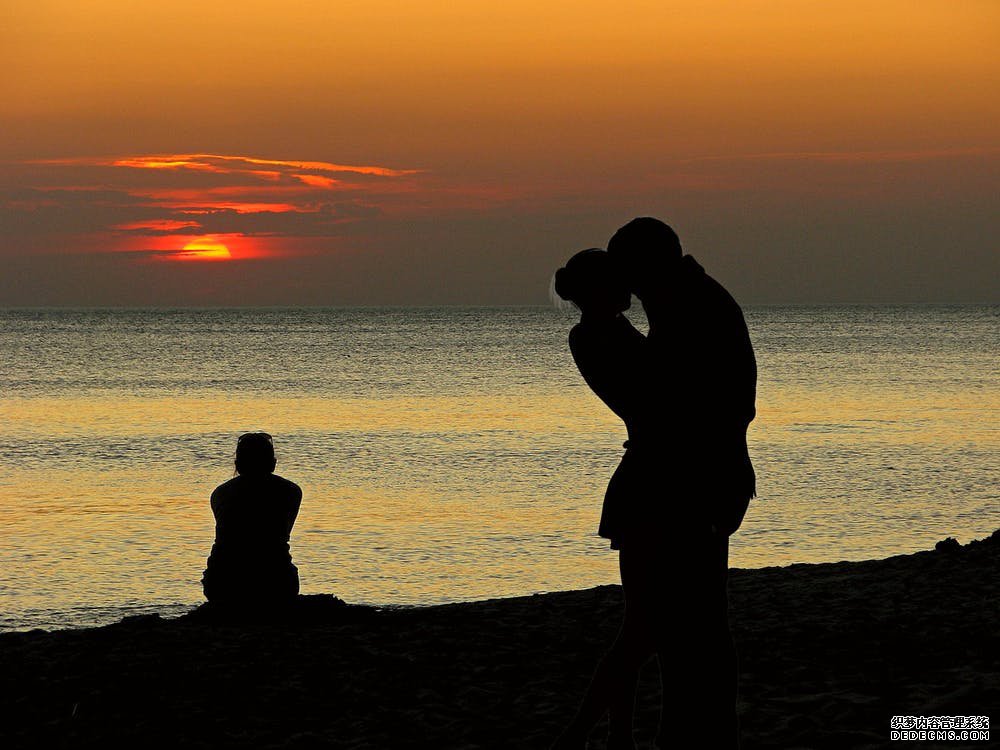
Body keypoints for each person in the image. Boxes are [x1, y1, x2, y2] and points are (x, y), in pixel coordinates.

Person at [607, 217, 756, 749]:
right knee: (693, 624)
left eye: (625, 269)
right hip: (704, 479)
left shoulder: (692, 307)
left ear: (647, 266)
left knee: (694, 625)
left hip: (699, 482)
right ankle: (699, 734)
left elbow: (713, 405)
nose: (622, 282)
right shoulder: (684, 301)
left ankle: (699, 736)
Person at [551, 248, 656, 750]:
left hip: (644, 478)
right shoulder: (596, 335)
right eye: (618, 281)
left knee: (638, 626)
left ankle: (616, 736)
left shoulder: (605, 331)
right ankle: (582, 734)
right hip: (648, 482)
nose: (628, 288)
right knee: (642, 629)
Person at [201, 432, 302, 610]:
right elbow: (281, 533)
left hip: (222, 583)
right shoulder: (291, 491)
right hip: (277, 582)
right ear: (273, 463)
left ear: (237, 464)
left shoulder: (220, 493)